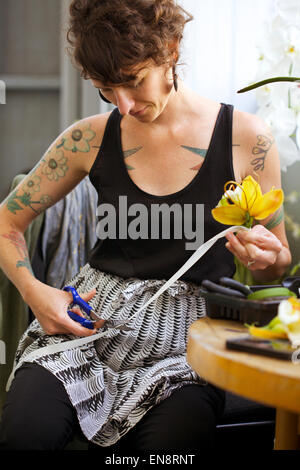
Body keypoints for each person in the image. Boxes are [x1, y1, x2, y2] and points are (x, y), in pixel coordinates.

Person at [0, 0, 291, 451]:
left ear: (171, 49)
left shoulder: (248, 140)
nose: (123, 105)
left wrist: (268, 258)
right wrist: (36, 292)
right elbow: (5, 223)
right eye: (105, 90)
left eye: (134, 82)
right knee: (24, 436)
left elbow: (278, 263)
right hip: (86, 330)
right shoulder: (88, 139)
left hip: (185, 352)